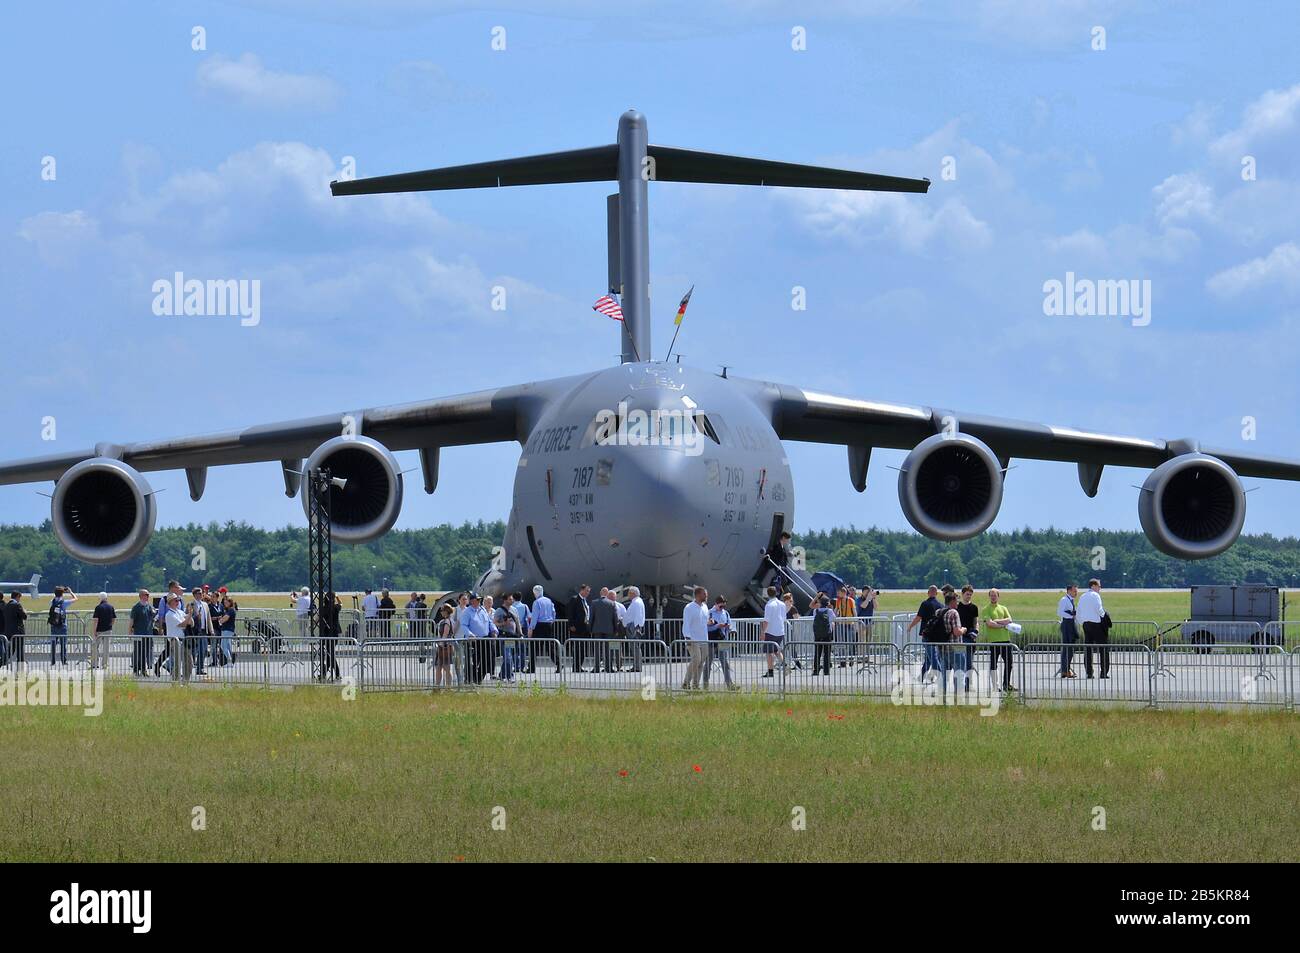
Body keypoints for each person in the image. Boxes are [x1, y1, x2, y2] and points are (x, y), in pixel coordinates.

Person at [981, 588, 1015, 692]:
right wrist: (1002, 625)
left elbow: (1009, 620)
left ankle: (1006, 684)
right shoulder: (986, 609)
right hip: (994, 640)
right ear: (989, 596)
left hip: (1005, 639)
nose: (993, 597)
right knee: (993, 664)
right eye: (991, 595)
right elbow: (989, 623)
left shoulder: (1003, 608)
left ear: (998, 596)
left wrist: (997, 621)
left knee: (1009, 663)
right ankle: (995, 685)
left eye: (995, 595)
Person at [907, 586, 943, 681]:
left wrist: (910, 626)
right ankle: (921, 677)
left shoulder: (925, 604)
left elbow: (918, 618)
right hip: (937, 635)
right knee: (928, 657)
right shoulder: (941, 605)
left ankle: (941, 677)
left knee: (932, 657)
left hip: (926, 634)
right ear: (936, 593)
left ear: (928, 593)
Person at [460, 593, 496, 683]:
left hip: (485, 639)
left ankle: (478, 679)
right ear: (472, 601)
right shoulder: (467, 612)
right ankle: (468, 679)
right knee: (473, 661)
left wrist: (494, 630)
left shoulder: (483, 609)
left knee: (486, 660)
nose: (479, 601)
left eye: (480, 599)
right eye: (478, 599)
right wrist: (470, 634)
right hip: (474, 641)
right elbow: (464, 625)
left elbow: (489, 622)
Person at [1077, 578, 1108, 679]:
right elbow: (1099, 609)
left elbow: (1079, 611)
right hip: (1096, 624)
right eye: (1099, 586)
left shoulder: (1083, 596)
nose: (1100, 588)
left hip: (1086, 624)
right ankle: (1103, 672)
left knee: (1088, 649)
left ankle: (1089, 672)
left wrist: (1082, 622)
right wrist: (1104, 616)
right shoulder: (1096, 595)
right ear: (1093, 586)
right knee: (1103, 649)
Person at [526, 585, 560, 674]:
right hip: (548, 625)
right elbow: (554, 612)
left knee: (535, 648)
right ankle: (558, 663)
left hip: (539, 626)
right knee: (550, 647)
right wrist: (552, 620)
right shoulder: (549, 601)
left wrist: (531, 628)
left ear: (534, 593)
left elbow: (534, 617)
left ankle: (531, 668)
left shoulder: (536, 602)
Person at [705, 595, 737, 690]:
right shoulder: (709, 613)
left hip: (723, 640)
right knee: (708, 663)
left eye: (724, 605)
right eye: (721, 606)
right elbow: (706, 628)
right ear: (716, 604)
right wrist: (717, 626)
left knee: (725, 663)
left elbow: (730, 624)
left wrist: (730, 628)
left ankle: (730, 685)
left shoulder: (726, 613)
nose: (722, 608)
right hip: (711, 641)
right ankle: (705, 685)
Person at [681, 586, 710, 689]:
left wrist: (710, 622)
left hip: (704, 639)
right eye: (704, 594)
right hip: (693, 639)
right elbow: (686, 623)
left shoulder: (705, 607)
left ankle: (696, 685)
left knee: (701, 662)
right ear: (698, 595)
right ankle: (686, 682)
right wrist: (687, 638)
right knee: (696, 660)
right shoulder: (689, 607)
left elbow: (705, 621)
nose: (706, 596)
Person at [955, 584, 980, 691]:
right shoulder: (957, 607)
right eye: (967, 594)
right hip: (960, 638)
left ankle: (968, 685)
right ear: (962, 594)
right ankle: (959, 685)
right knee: (960, 662)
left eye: (970, 594)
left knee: (969, 663)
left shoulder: (974, 607)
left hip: (970, 638)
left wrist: (976, 631)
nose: (969, 596)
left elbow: (976, 622)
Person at [759, 586, 787, 679]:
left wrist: (763, 632)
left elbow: (766, 620)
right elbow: (784, 618)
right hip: (780, 630)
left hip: (771, 631)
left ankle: (770, 671)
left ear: (767, 594)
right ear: (777, 593)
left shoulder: (769, 605)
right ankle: (785, 667)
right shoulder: (782, 604)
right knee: (777, 650)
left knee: (769, 652)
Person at [589, 587, 619, 674]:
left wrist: (590, 628)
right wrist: (616, 629)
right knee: (608, 649)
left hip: (597, 629)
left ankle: (597, 668)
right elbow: (615, 618)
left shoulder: (594, 603)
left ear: (600, 593)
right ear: (607, 594)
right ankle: (609, 668)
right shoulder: (612, 603)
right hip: (609, 630)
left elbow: (591, 617)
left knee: (597, 649)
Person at [129, 589, 155, 676]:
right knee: (138, 652)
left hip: (148, 634)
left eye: (148, 595)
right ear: (140, 596)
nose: (147, 597)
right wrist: (129, 632)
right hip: (139, 633)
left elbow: (152, 618)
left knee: (145, 652)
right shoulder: (136, 607)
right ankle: (136, 670)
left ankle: (144, 670)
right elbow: (131, 620)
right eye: (145, 595)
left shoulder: (149, 607)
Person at [567, 585, 592, 674]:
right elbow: (570, 612)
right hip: (577, 628)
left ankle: (579, 666)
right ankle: (576, 667)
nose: (588, 593)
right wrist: (571, 624)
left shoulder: (585, 601)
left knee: (583, 649)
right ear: (581, 590)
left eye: (589, 591)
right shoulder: (574, 599)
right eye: (586, 591)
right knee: (578, 648)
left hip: (585, 628)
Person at [494, 593, 520, 682]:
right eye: (510, 599)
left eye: (512, 599)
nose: (512, 601)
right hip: (504, 636)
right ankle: (510, 676)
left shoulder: (514, 609)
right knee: (508, 656)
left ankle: (502, 675)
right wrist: (503, 624)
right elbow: (495, 623)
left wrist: (520, 634)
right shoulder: (499, 610)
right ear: (505, 600)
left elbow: (517, 622)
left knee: (509, 656)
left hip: (512, 636)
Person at [89, 592, 116, 671]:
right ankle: (105, 664)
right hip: (108, 630)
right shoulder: (111, 607)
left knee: (94, 646)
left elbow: (96, 620)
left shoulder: (98, 607)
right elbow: (114, 618)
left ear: (100, 598)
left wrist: (94, 630)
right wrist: (111, 625)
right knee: (106, 648)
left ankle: (94, 664)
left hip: (99, 631)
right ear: (106, 598)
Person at [811, 594, 836, 676]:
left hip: (817, 634)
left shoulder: (816, 611)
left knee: (817, 652)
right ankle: (826, 670)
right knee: (826, 652)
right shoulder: (829, 611)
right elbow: (833, 619)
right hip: (827, 634)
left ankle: (816, 670)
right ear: (827, 603)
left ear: (820, 603)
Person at [1058, 583, 1079, 678]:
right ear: (1069, 591)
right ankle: (1065, 670)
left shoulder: (1071, 600)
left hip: (1071, 624)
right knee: (1067, 648)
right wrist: (1071, 615)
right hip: (1066, 624)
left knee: (1070, 648)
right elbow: (1060, 612)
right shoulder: (1064, 600)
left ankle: (1066, 669)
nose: (1076, 593)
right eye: (1074, 591)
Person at [319, 591, 341, 681]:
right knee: (330, 654)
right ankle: (335, 673)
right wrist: (337, 596)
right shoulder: (335, 608)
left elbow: (317, 619)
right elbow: (340, 603)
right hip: (334, 632)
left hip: (325, 633)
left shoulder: (323, 609)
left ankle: (324, 673)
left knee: (329, 654)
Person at [432, 603, 455, 688]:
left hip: (446, 647)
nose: (441, 612)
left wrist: (440, 644)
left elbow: (445, 634)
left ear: (446, 611)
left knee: (447, 668)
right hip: (442, 647)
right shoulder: (446, 621)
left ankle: (448, 687)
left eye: (442, 610)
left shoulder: (447, 621)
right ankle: (437, 686)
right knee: (439, 667)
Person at [623, 587, 646, 673]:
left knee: (635, 647)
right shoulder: (637, 602)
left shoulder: (636, 603)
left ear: (633, 593)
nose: (628, 594)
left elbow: (638, 616)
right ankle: (636, 666)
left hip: (633, 628)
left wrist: (634, 628)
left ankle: (637, 667)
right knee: (635, 648)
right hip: (633, 627)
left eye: (629, 593)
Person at [2, 592, 27, 668]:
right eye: (19, 598)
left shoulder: (6, 606)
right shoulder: (17, 605)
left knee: (10, 649)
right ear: (17, 597)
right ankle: (21, 666)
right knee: (20, 649)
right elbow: (24, 616)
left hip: (8, 631)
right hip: (18, 631)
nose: (19, 600)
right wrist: (24, 611)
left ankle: (2, 661)